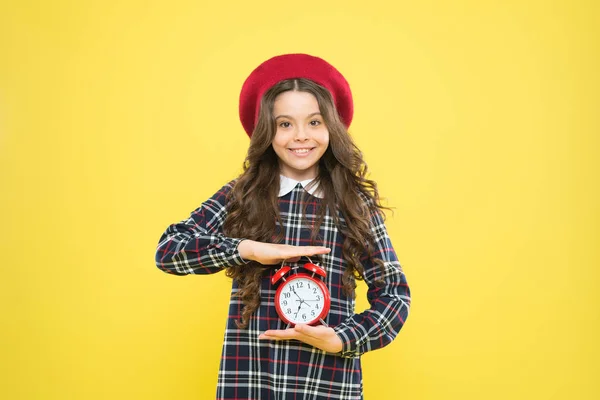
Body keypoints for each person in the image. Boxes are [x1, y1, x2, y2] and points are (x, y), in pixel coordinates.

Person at [155, 53, 411, 400]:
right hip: (249, 380)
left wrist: (342, 339)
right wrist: (246, 249)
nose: (300, 136)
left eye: (315, 122)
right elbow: (169, 250)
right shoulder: (241, 195)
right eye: (285, 124)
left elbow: (394, 295)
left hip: (328, 383)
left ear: (331, 128)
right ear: (268, 131)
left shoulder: (354, 204)